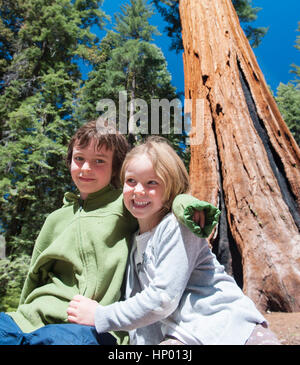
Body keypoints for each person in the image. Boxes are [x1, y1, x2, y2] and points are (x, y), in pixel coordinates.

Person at [0, 121, 218, 346]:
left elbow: (164, 196)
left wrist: (187, 205)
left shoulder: (125, 204)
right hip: (29, 318)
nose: (86, 168)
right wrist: (20, 315)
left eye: (99, 161)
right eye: (79, 159)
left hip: (84, 325)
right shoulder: (55, 219)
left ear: (116, 168)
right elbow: (34, 275)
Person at [67, 136, 281, 345]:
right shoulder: (134, 243)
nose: (138, 190)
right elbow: (143, 314)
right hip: (187, 336)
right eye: (131, 181)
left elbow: (162, 299)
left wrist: (100, 315)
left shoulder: (176, 226)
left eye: (152, 182)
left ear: (171, 188)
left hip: (231, 328)